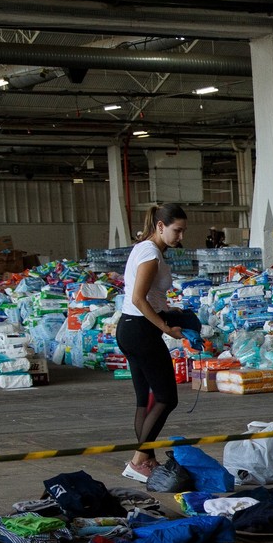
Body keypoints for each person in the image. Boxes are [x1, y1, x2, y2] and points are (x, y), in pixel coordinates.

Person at [115, 202, 188, 483]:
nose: (180, 237)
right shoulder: (150, 253)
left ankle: (146, 459)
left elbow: (149, 297)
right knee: (166, 398)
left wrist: (168, 311)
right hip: (142, 331)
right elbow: (138, 298)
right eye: (177, 231)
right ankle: (137, 460)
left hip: (130, 328)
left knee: (144, 401)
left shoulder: (146, 249)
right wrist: (166, 328)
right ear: (160, 226)